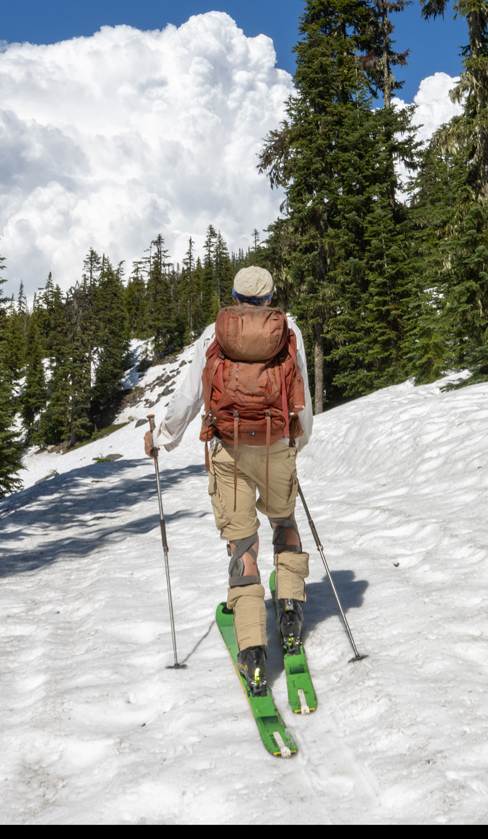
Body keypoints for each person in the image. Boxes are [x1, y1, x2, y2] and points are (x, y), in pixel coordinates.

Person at [143, 266, 313, 693]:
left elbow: (189, 397)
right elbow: (303, 399)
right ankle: (290, 611)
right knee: (284, 522)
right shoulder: (288, 330)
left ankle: (253, 650)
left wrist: (162, 438)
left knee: (243, 545)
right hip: (276, 446)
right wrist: (296, 441)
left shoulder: (214, 334)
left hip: (228, 451)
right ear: (270, 298)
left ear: (235, 298)